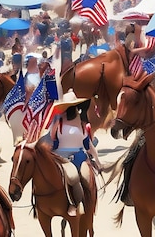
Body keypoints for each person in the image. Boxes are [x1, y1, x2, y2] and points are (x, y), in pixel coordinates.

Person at [48, 89, 99, 217]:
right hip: (60, 157)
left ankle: (80, 203)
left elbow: (88, 145)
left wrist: (97, 159)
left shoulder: (82, 125)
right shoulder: (58, 123)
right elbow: (52, 141)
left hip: (79, 156)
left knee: (85, 178)